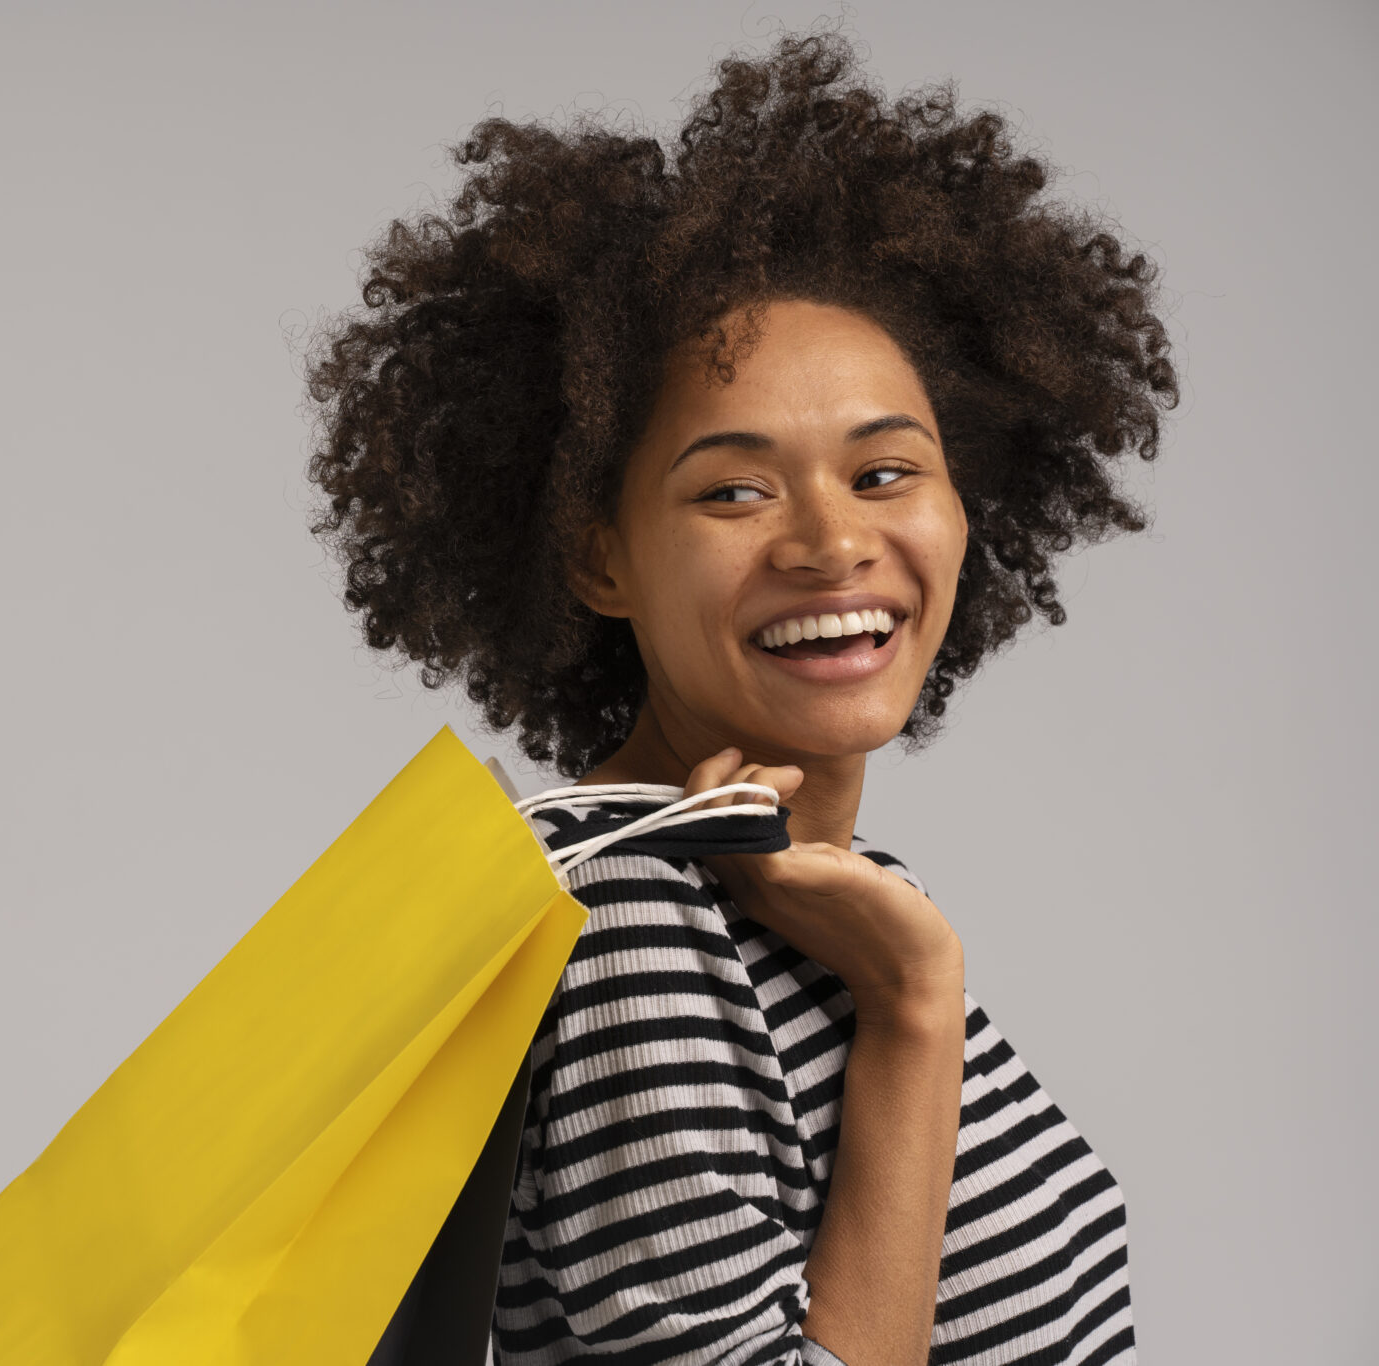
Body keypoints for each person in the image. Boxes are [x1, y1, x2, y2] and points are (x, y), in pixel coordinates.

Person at [303, 29, 1175, 1366]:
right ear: (600, 552)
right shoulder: (635, 915)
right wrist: (915, 1010)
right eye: (735, 488)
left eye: (885, 471)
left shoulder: (827, 895)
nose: (832, 542)